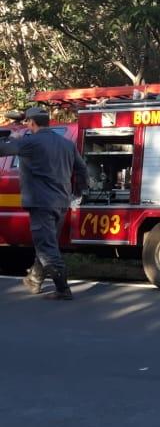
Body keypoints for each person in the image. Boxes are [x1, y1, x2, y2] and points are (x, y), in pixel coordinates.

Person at [0, 107, 88, 300]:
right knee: (48, 243)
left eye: (28, 124)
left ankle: (62, 288)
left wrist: (14, 137)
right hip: (61, 203)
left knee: (46, 246)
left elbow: (2, 150)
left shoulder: (30, 142)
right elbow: (82, 170)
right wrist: (77, 192)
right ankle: (35, 279)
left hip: (41, 203)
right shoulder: (67, 144)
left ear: (31, 123)